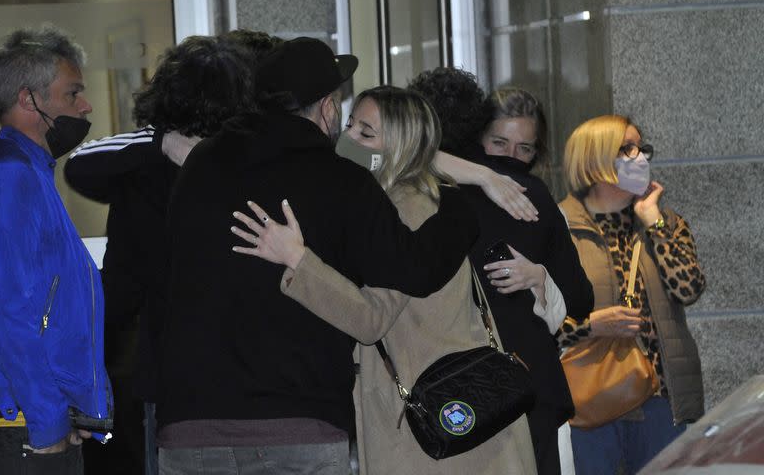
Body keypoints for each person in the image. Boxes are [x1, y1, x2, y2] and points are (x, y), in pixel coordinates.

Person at [157, 37, 482, 474]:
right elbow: (416, 269)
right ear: (327, 107)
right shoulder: (341, 180)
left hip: (188, 424)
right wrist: (462, 207)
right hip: (295, 426)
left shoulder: (200, 166)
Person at [231, 85, 539, 474]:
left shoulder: (403, 210)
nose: (348, 140)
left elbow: (369, 319)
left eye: (366, 133)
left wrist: (296, 258)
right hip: (460, 420)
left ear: (400, 148)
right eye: (350, 125)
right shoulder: (423, 200)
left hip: (437, 433)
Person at [63, 32, 275, 475]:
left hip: (164, 369)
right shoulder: (254, 172)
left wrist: (158, 142)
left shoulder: (138, 170)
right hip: (245, 367)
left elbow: (81, 165)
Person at [409, 69, 594, 475]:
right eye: (499, 142)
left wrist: (541, 275)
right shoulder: (526, 194)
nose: (510, 157)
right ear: (475, 132)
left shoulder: (419, 188)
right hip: (519, 386)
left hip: (463, 392)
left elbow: (580, 300)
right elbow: (583, 300)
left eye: (524, 148)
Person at [557, 115, 706, 474]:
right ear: (593, 159)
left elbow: (689, 288)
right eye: (627, 149)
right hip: (592, 396)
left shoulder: (664, 223)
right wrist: (591, 326)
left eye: (641, 148)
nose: (640, 157)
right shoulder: (558, 227)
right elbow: (534, 318)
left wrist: (653, 219)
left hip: (660, 397)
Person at [0, 25, 112, 474]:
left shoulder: (33, 172)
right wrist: (47, 422)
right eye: (72, 94)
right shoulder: (10, 176)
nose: (85, 107)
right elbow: (8, 311)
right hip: (24, 428)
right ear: (30, 100)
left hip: (41, 421)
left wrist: (79, 407)